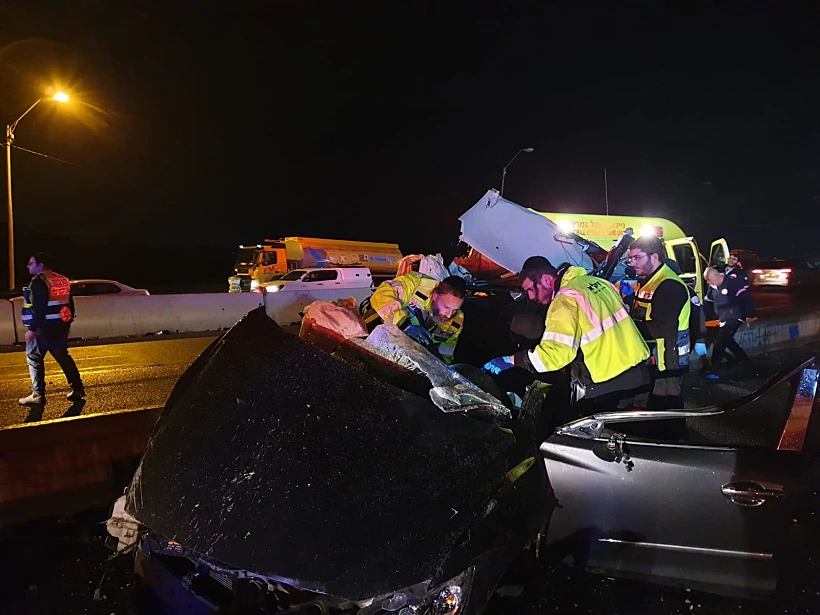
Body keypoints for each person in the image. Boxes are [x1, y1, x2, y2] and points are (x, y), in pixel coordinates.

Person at [482, 256, 650, 409]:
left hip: (607, 386)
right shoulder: (598, 282)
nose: (531, 297)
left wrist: (510, 360)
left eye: (530, 290)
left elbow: (556, 356)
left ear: (546, 280)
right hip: (640, 375)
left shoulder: (564, 301)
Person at [626, 236, 692, 409]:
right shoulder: (648, 281)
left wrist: (624, 328)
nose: (632, 263)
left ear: (654, 257)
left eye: (637, 257)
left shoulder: (669, 285)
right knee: (654, 407)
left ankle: (675, 435)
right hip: (654, 357)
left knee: (668, 408)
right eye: (630, 258)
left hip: (668, 362)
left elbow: (660, 327)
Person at [19, 252, 85, 406]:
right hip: (59, 327)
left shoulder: (39, 281)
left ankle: (37, 394)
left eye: (31, 263)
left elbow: (39, 307)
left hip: (43, 327)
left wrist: (32, 329)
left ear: (40, 265)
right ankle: (77, 388)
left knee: (34, 358)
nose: (28, 266)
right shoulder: (61, 279)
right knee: (63, 357)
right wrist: (67, 325)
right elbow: (69, 305)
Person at [360, 273, 466, 364]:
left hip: (407, 356)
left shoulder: (457, 321)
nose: (449, 315)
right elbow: (381, 295)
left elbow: (446, 354)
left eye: (455, 310)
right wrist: (405, 325)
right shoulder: (417, 283)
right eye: (446, 307)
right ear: (435, 296)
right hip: (372, 331)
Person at [703, 266, 756, 379]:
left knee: (720, 343)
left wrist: (750, 314)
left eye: (709, 280)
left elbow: (746, 298)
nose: (708, 283)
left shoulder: (731, 283)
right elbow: (708, 301)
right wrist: (709, 316)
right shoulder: (713, 287)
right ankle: (745, 361)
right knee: (728, 342)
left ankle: (714, 370)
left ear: (717, 276)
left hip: (734, 317)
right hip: (722, 318)